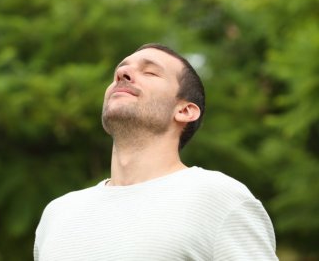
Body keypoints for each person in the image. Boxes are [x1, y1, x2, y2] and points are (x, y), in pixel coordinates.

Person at [34, 43, 278, 260]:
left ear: (184, 111)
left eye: (150, 72)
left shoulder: (219, 199)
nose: (122, 73)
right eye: (120, 71)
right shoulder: (58, 214)